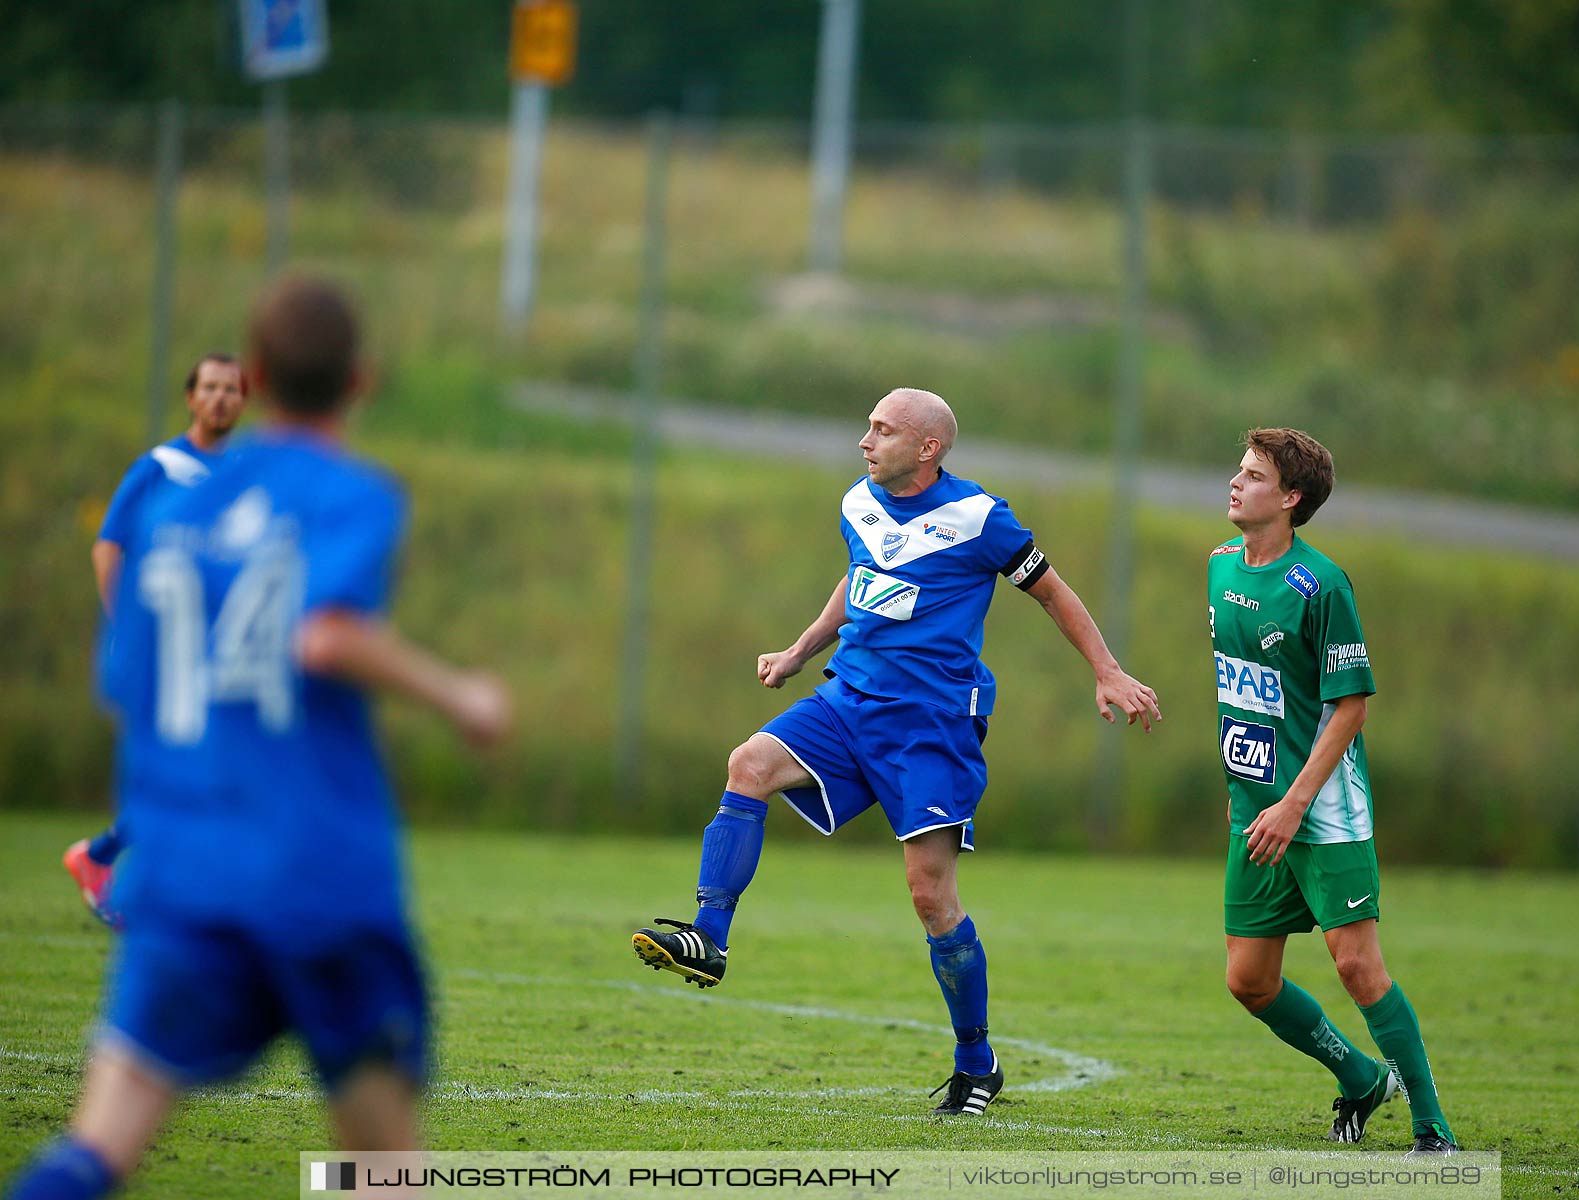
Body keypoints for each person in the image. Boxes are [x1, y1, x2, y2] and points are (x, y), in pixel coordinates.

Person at [7, 276, 511, 1200]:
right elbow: (324, 635)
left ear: (259, 374)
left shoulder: (168, 508)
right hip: (316, 878)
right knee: (385, 1166)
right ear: (360, 380)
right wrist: (460, 696)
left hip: (185, 876)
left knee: (101, 1141)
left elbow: (127, 682)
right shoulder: (351, 495)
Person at [630, 387, 1161, 1117]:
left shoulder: (979, 518)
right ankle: (710, 938)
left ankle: (977, 1062)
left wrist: (1106, 669)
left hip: (932, 726)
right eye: (868, 427)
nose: (865, 441)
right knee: (748, 764)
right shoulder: (859, 502)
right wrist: (798, 649)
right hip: (849, 700)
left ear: (928, 447)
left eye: (882, 430)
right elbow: (860, 578)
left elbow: (1053, 593)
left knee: (930, 897)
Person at [1207, 427, 1457, 1155]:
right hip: (1255, 806)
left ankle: (1431, 1129)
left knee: (1356, 963)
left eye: (1253, 476)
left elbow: (1351, 705)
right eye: (1239, 470)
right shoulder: (1221, 568)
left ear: (1290, 498)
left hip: (1321, 809)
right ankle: (1359, 1077)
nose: (1235, 482)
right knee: (1249, 981)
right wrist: (1258, 793)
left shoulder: (1322, 586)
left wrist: (1294, 803)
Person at [64, 354, 251, 928]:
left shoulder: (243, 472)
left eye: (231, 389)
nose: (220, 398)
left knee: (215, 771)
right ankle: (113, 866)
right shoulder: (161, 466)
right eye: (210, 387)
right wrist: (127, 626)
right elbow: (108, 547)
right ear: (191, 398)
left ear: (245, 400)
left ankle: (107, 860)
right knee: (185, 771)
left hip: (209, 653)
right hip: (157, 653)